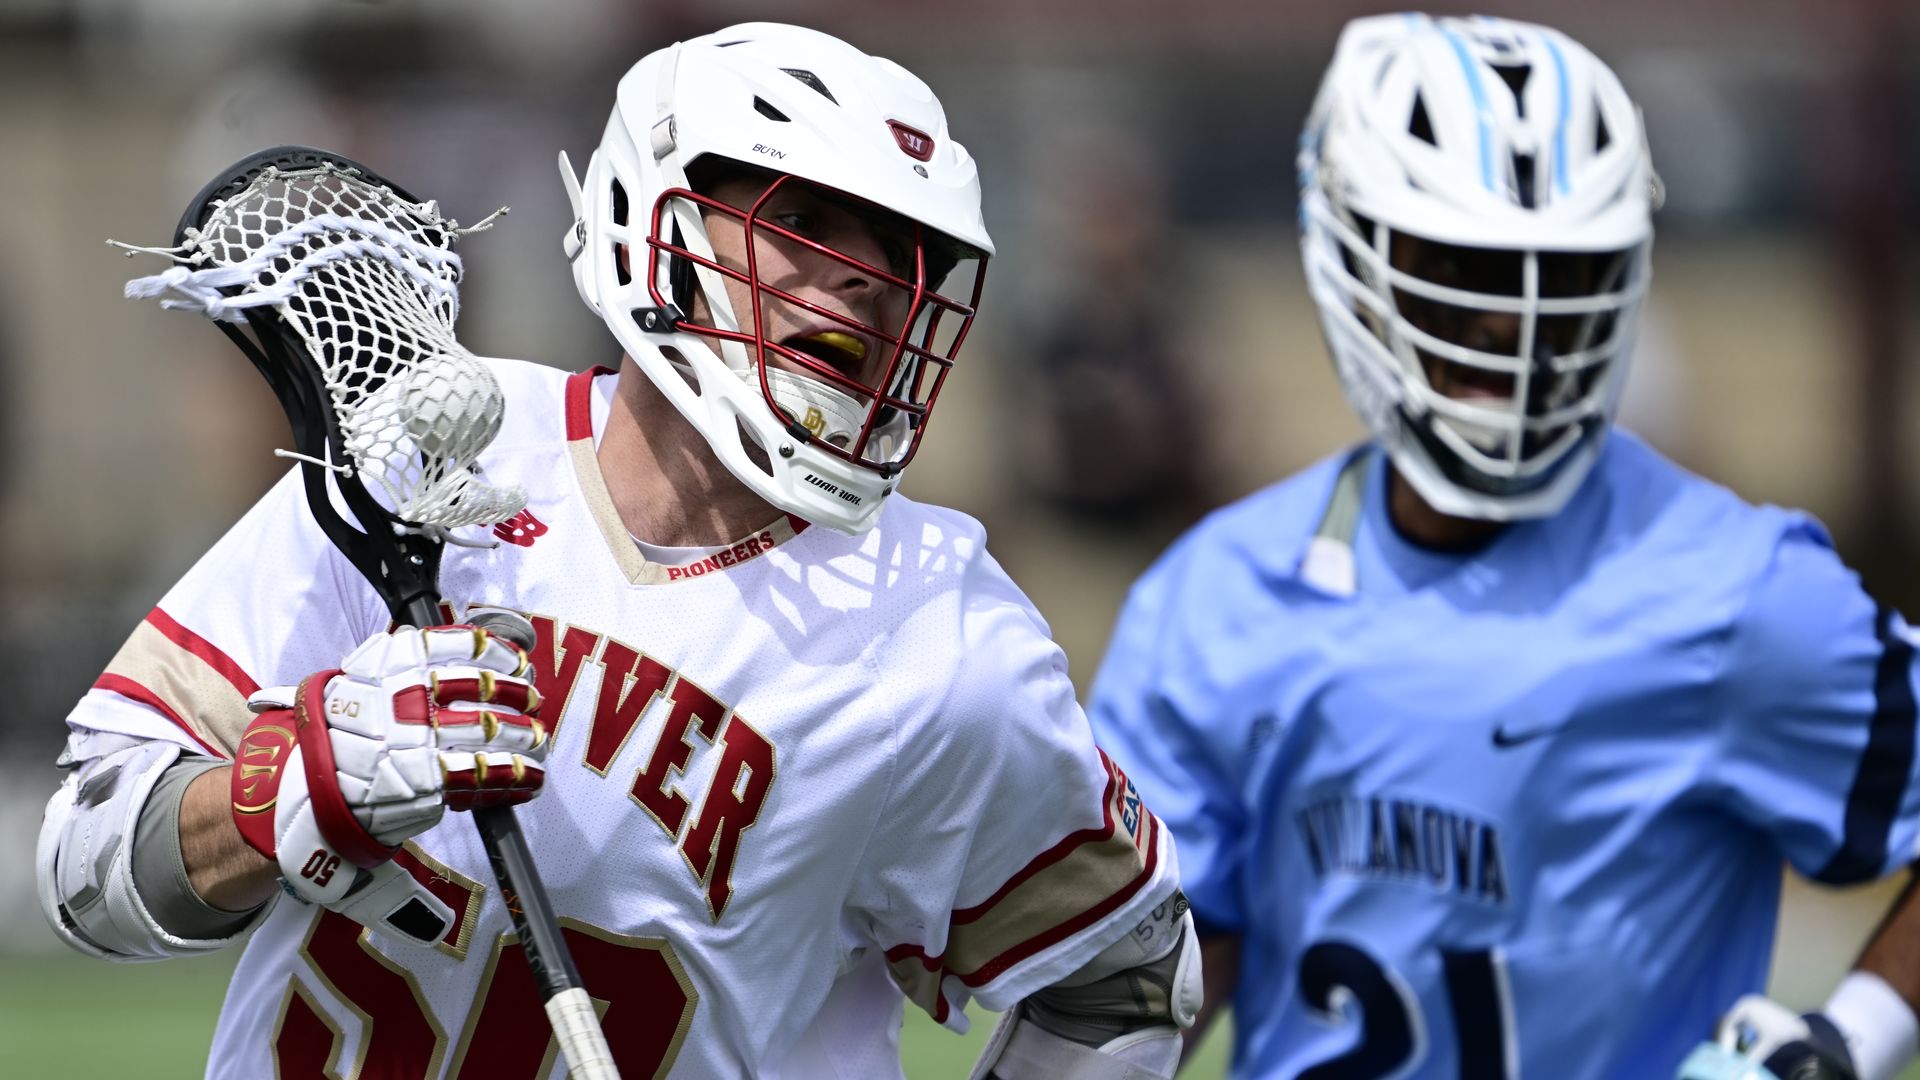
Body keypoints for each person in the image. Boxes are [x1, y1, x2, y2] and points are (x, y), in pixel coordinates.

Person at [36, 23, 1199, 1079]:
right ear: (662, 228)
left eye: (904, 252)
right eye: (806, 221)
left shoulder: (940, 635)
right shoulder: (423, 449)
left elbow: (1124, 979)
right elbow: (87, 864)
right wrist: (292, 789)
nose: (872, 280)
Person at [1087, 13, 1920, 1080]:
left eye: (1555, 279)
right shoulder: (1217, 599)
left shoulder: (1739, 591)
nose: (1504, 327)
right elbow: (1157, 980)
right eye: (1459, 268)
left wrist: (1848, 1038)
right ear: (1350, 249)